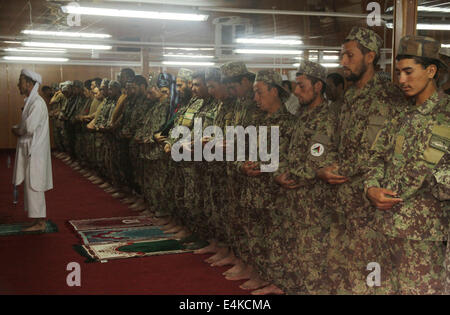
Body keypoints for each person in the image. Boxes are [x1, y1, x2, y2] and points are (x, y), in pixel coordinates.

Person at [365, 35, 449, 294]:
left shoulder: (446, 116)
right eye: (399, 72)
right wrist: (371, 188)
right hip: (385, 230)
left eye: (408, 72)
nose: (401, 80)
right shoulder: (399, 115)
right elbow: (376, 158)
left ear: (431, 70)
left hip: (426, 239)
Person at [12, 69, 53, 232]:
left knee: (34, 185)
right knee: (31, 185)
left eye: (20, 82)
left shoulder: (37, 103)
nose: (18, 85)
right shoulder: (32, 101)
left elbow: (28, 127)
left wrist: (17, 130)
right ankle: (37, 220)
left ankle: (40, 222)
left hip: (35, 151)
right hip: (31, 150)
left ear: (29, 84)